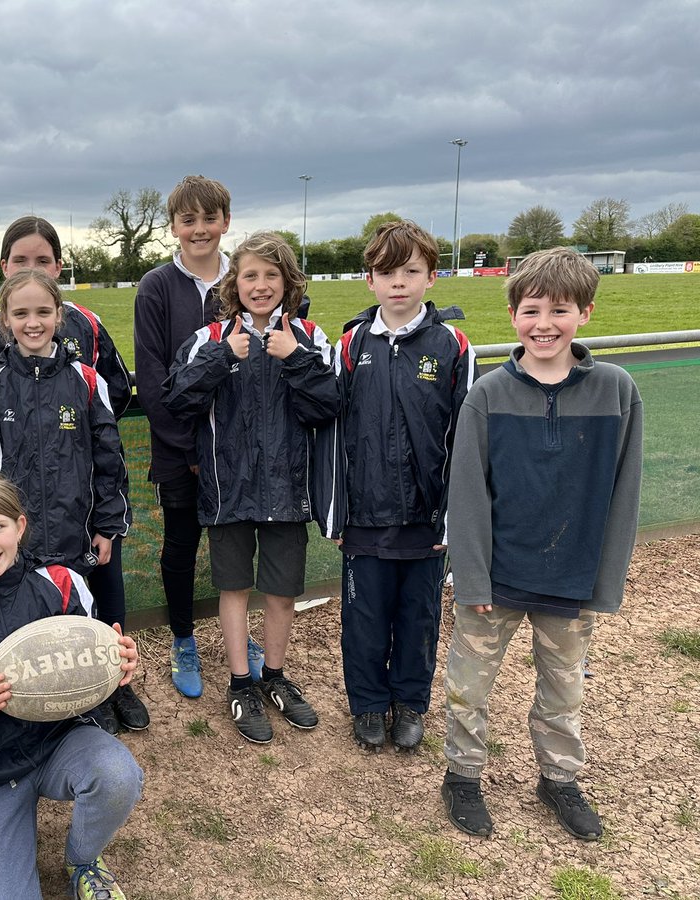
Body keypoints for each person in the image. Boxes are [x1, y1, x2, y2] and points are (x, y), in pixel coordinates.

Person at [440, 247, 642, 841]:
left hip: (572, 577)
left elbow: (624, 492)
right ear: (512, 315)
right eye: (532, 310)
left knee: (563, 688)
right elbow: (467, 494)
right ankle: (462, 776)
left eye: (561, 309)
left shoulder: (616, 390)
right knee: (468, 687)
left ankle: (559, 780)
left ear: (586, 313)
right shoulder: (487, 395)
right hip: (496, 578)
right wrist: (472, 577)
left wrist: (606, 579)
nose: (545, 323)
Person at [0, 472, 144, 900]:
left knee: (117, 774)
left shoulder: (61, 582)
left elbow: (90, 667)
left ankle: (83, 860)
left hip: (61, 740)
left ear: (19, 526)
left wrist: (119, 665)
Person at [164, 233, 339, 742]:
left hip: (287, 488)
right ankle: (241, 684)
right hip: (228, 490)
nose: (260, 286)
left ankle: (276, 677)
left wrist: (295, 359)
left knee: (282, 593)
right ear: (233, 284)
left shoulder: (308, 336)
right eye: (249, 276)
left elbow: (328, 404)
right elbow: (178, 400)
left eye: (271, 275)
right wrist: (222, 358)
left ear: (288, 282)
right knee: (234, 589)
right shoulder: (208, 339)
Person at [0, 268, 144, 733]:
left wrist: (107, 524)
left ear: (60, 315)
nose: (32, 322)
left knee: (81, 623)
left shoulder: (85, 379)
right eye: (20, 313)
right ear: (4, 320)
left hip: (73, 532)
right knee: (30, 631)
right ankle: (37, 711)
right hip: (13, 541)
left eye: (43, 311)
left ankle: (100, 694)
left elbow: (110, 460)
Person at [317, 220, 477, 752]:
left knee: (420, 618)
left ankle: (410, 704)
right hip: (364, 519)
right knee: (363, 620)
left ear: (432, 276)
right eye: (387, 272)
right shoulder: (350, 343)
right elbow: (333, 431)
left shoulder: (453, 344)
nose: (399, 283)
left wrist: (452, 518)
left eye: (411, 271)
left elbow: (466, 438)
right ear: (370, 280)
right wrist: (337, 512)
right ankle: (366, 705)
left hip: (426, 521)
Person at [133, 174, 240, 699]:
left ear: (226, 220)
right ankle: (182, 640)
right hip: (179, 452)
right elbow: (151, 380)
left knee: (236, 544)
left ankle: (238, 639)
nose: (199, 229)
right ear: (173, 226)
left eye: (209, 218)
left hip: (238, 448)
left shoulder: (245, 278)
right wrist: (191, 448)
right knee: (181, 543)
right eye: (188, 219)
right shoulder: (156, 287)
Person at [0, 216, 132, 416]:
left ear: (58, 267)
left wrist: (81, 433)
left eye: (43, 261)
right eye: (20, 261)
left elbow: (118, 390)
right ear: (5, 267)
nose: (32, 270)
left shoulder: (87, 322)